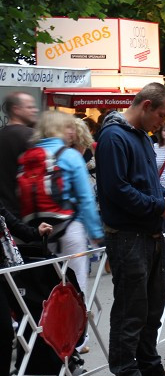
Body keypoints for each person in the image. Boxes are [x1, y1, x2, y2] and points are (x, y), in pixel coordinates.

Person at [95, 82, 165, 376]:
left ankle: (149, 370)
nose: (163, 123)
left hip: (147, 235)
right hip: (127, 237)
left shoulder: (139, 138)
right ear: (146, 105)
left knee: (150, 309)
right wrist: (158, 205)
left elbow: (144, 187)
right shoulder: (113, 137)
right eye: (161, 115)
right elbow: (116, 190)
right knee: (130, 311)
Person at [28, 111, 104, 299]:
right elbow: (85, 198)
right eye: (68, 127)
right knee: (76, 287)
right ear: (59, 129)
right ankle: (78, 326)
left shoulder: (29, 155)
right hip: (70, 229)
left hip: (39, 233)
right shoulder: (70, 155)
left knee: (48, 289)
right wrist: (95, 233)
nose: (72, 131)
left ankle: (49, 325)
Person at [1, 201, 51, 376]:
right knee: (3, 331)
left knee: (4, 332)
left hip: (4, 273)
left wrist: (34, 232)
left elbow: (9, 220)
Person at [0, 92, 39, 215]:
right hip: (24, 211)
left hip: (5, 210)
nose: (35, 110)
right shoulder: (30, 136)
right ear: (16, 109)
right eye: (30, 107)